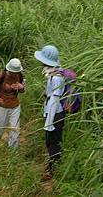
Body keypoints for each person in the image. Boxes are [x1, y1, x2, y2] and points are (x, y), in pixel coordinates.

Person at [34, 45, 65, 180]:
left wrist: (49, 122)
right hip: (52, 112)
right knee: (51, 142)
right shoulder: (52, 73)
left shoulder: (56, 77)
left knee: (52, 142)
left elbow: (54, 100)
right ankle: (53, 165)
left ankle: (52, 170)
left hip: (55, 114)